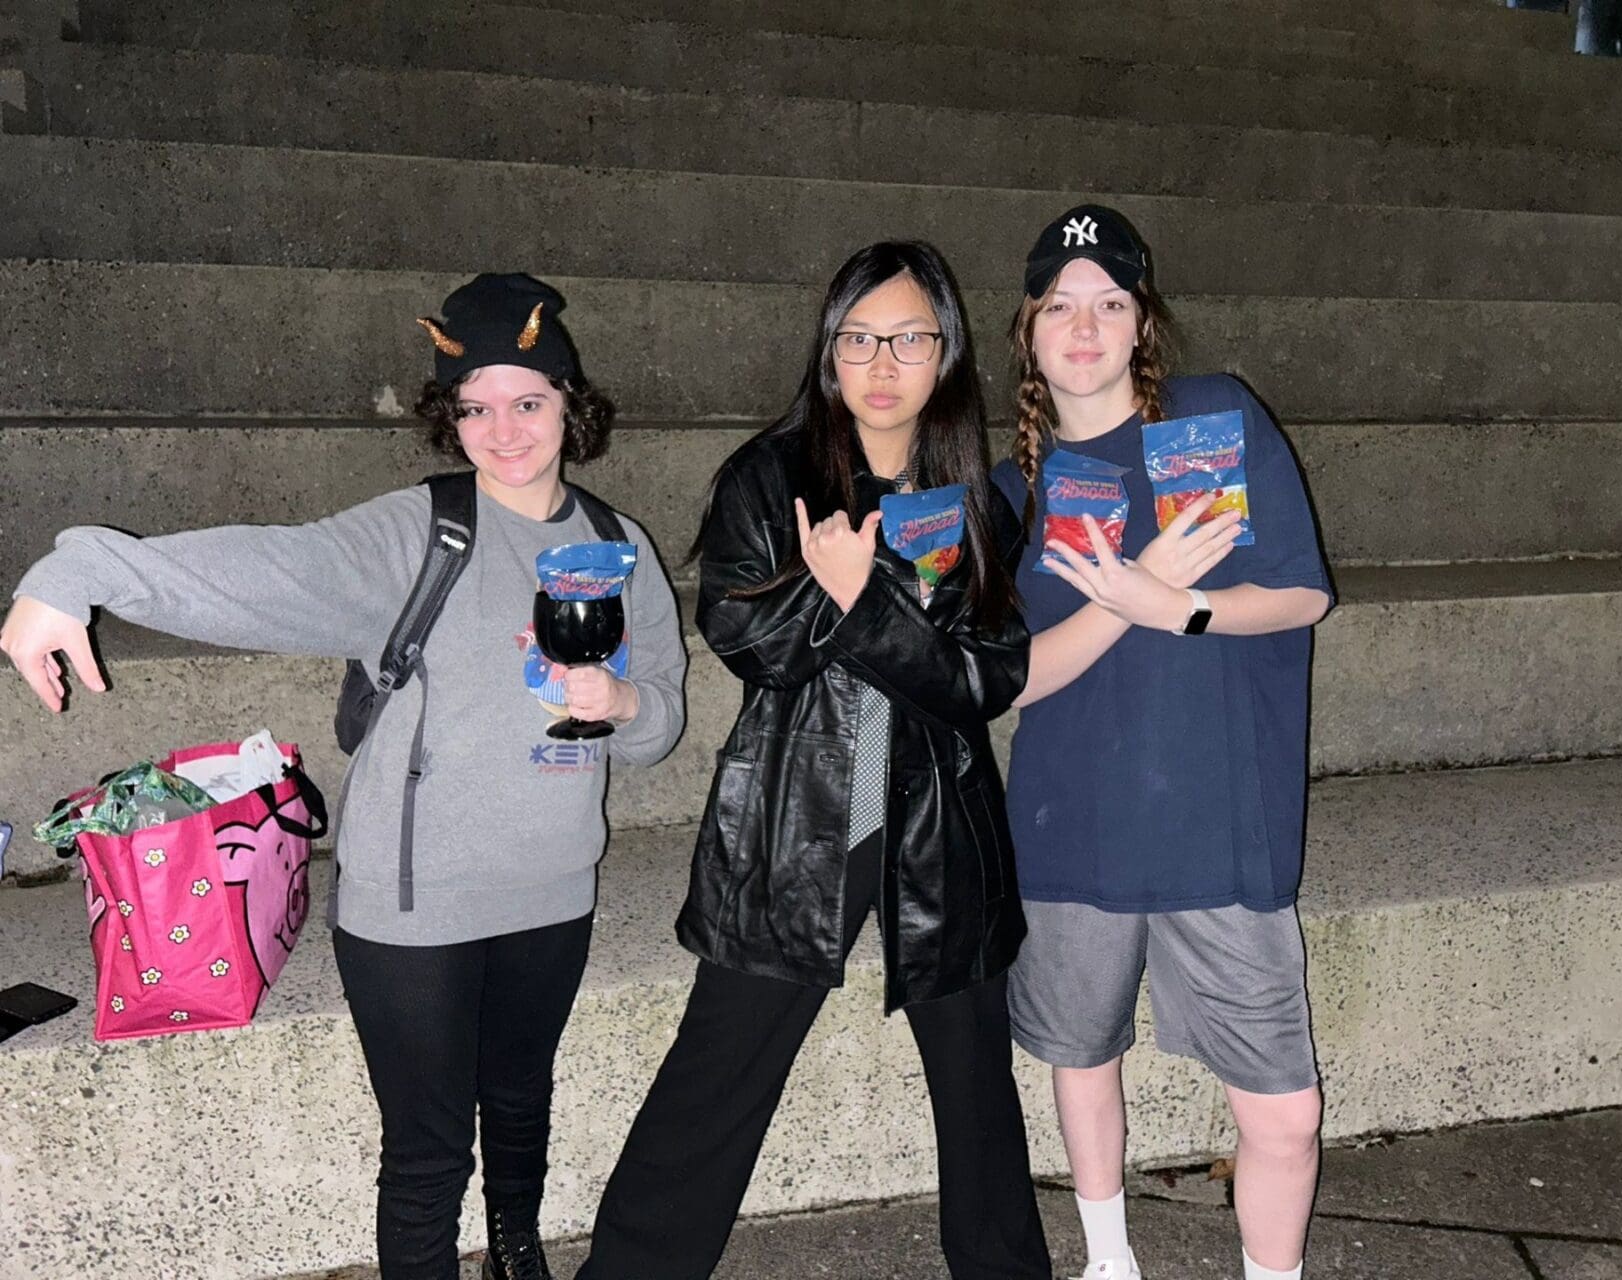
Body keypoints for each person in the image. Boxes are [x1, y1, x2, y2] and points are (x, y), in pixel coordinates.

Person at [1, 274, 688, 1280]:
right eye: (476, 405)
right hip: (412, 911)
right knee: (425, 1148)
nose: (503, 429)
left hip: (552, 890)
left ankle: (517, 1250)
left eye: (529, 400)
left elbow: (660, 722)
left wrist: (623, 703)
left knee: (522, 1096)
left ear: (570, 406)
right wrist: (80, 574)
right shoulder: (419, 534)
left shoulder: (619, 548)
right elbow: (262, 568)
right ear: (447, 416)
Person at [573, 241, 1052, 1280]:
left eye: (909, 338)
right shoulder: (767, 475)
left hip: (939, 825)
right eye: (859, 338)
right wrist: (852, 591)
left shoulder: (980, 495)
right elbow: (753, 644)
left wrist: (860, 593)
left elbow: (983, 681)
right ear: (829, 351)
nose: (883, 362)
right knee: (714, 1080)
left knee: (977, 1094)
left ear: (948, 353)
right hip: (796, 819)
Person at [992, 206, 1334, 1280]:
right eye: (1061, 304)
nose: (1084, 324)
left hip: (1217, 820)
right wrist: (1127, 600)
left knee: (1286, 1111)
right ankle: (1108, 1260)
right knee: (1082, 1053)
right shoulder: (1012, 487)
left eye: (1110, 302)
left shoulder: (1215, 419)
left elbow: (1300, 596)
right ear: (1031, 330)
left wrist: (1171, 601)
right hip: (1069, 821)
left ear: (1143, 322)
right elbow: (1018, 675)